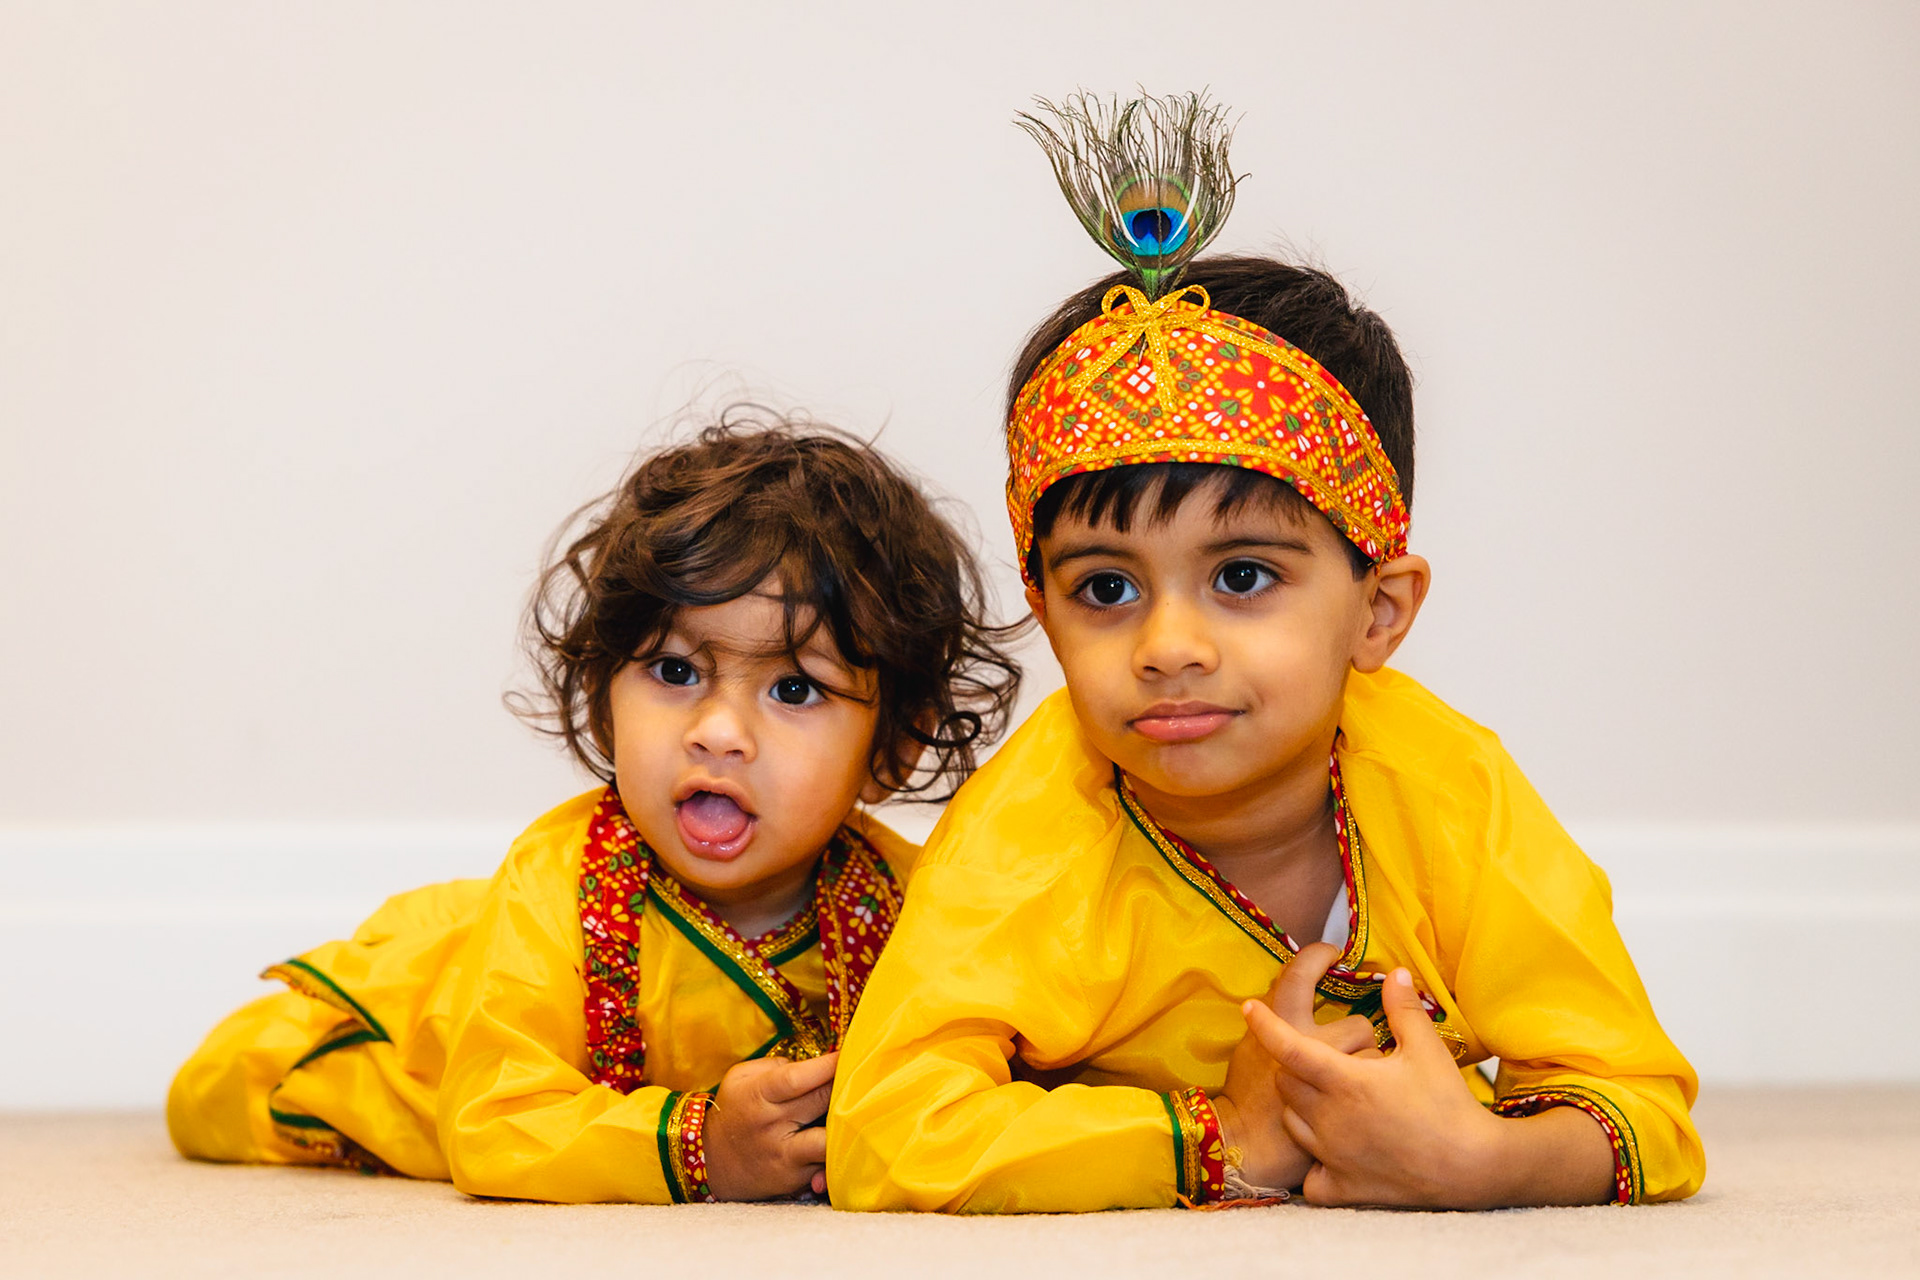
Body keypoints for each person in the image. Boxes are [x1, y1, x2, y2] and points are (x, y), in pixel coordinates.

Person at [827, 92, 1704, 1212]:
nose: (1169, 647)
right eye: (1105, 588)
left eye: (1242, 576)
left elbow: (1638, 1100)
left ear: (1379, 611)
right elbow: (883, 1137)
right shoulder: (1026, 838)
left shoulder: (1451, 790)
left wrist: (1490, 1163)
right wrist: (1223, 1135)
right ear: (1045, 612)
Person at [168, 414, 1021, 1203]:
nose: (719, 732)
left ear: (894, 746)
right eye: (676, 672)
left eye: (794, 689)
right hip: (423, 1051)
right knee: (217, 1095)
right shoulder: (559, 884)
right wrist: (701, 1147)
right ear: (602, 699)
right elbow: (494, 1123)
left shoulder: (911, 903)